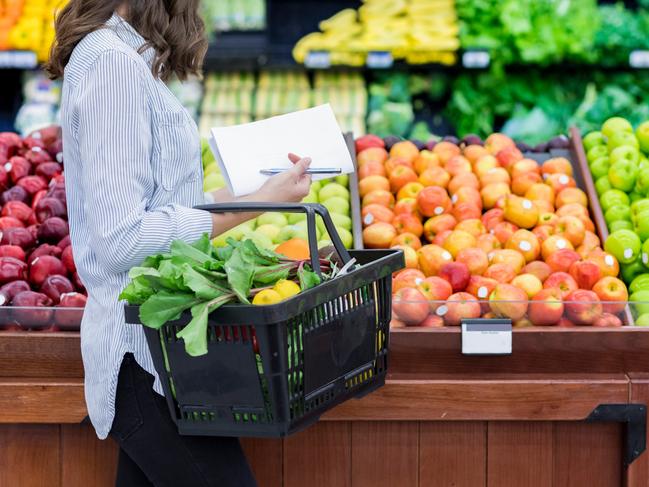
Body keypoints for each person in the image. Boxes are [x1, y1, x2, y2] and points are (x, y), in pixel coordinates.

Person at [46, 1, 312, 485]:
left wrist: (264, 193)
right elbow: (121, 238)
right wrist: (253, 207)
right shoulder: (112, 66)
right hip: (144, 362)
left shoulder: (121, 56)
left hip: (164, 355)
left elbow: (166, 205)